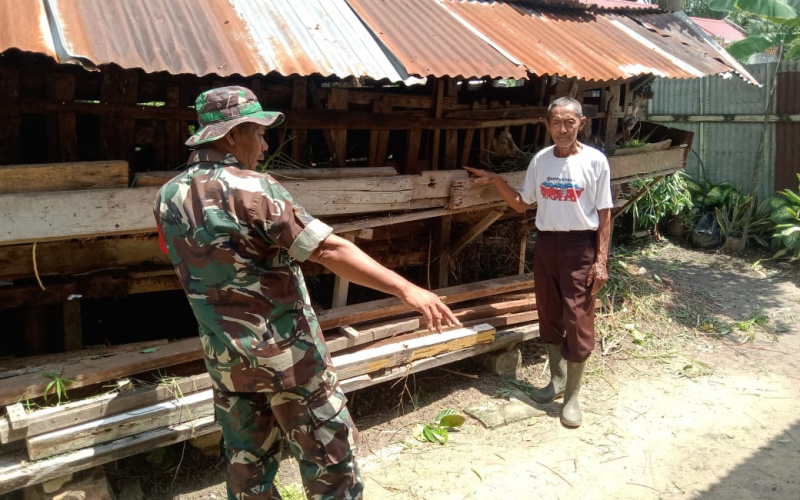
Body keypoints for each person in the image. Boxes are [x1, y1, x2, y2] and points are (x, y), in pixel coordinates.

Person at [153, 86, 460, 500]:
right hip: (291, 361)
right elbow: (328, 249)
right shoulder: (255, 189)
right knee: (332, 464)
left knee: (248, 468)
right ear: (230, 136)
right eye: (258, 133)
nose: (264, 145)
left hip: (228, 362)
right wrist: (407, 288)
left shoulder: (167, 196)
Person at [463, 96, 612, 428]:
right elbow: (521, 204)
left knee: (577, 318)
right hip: (546, 244)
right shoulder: (541, 161)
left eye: (569, 122)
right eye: (556, 123)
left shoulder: (595, 161)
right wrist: (496, 181)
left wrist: (601, 259)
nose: (562, 129)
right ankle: (556, 381)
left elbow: (605, 212)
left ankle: (572, 396)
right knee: (548, 311)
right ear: (547, 126)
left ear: (581, 124)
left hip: (580, 246)